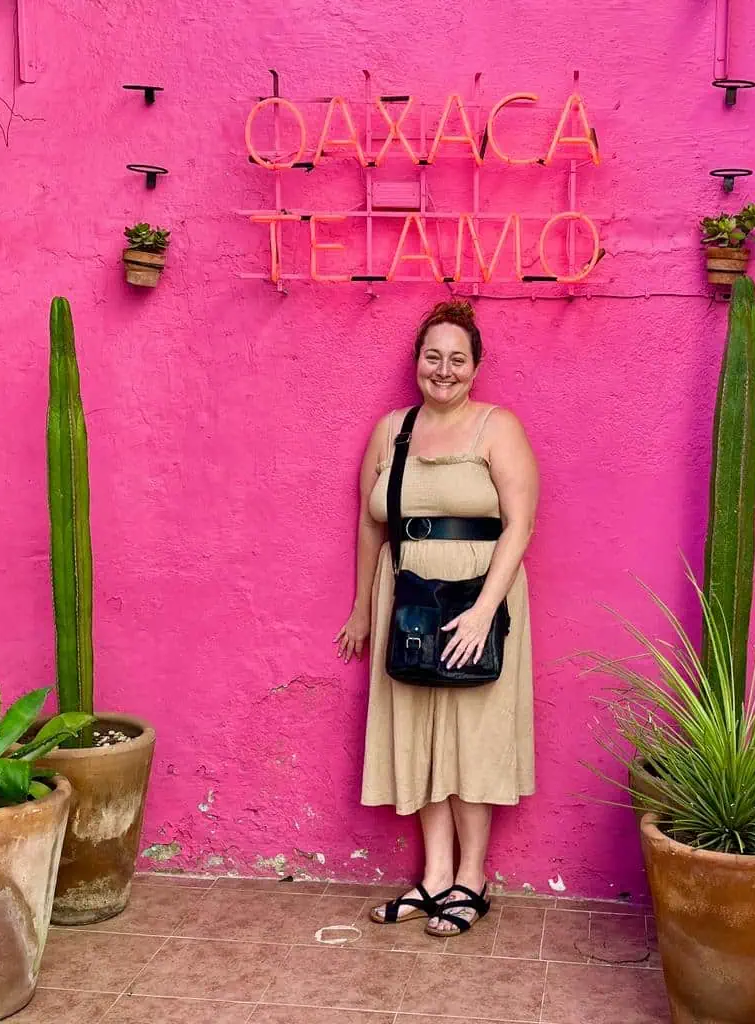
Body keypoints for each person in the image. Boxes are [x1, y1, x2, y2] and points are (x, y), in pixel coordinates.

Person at [335, 300, 538, 936]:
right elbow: (375, 524)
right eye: (432, 356)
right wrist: (363, 608)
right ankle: (434, 877)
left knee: (471, 734)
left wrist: (484, 611)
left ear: (476, 367)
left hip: (480, 599)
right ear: (416, 361)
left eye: (457, 359)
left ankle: (471, 879)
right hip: (410, 601)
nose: (443, 370)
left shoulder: (497, 427)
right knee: (417, 736)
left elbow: (521, 525)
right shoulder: (392, 430)